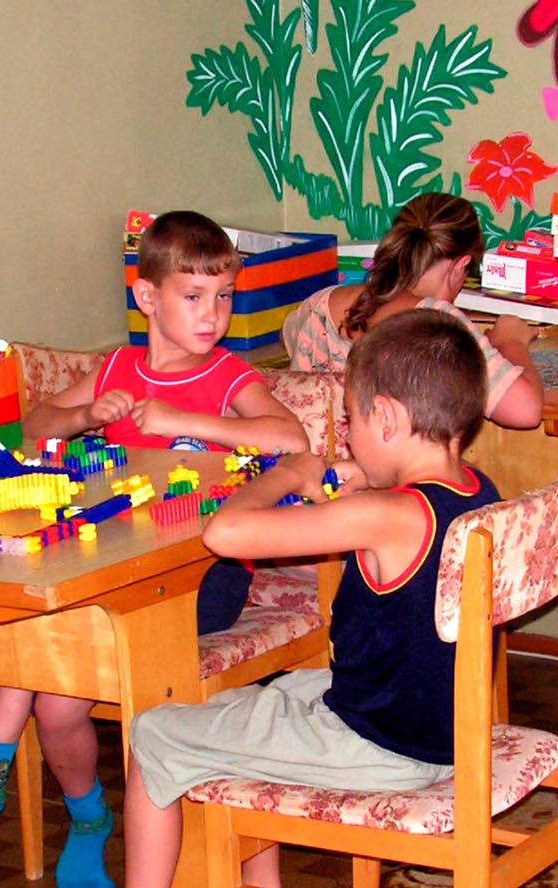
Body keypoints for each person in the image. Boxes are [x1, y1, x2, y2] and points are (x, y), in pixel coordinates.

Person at [0, 210, 309, 888]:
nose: (213, 313)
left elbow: (292, 440)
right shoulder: (117, 367)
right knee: (55, 705)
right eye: (194, 296)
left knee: (46, 648)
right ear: (148, 298)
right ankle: (87, 820)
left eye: (224, 296)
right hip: (109, 569)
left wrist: (183, 421)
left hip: (202, 578)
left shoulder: (227, 375)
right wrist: (85, 416)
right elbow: (36, 424)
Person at [123, 307, 501, 888]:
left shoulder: (386, 515)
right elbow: (402, 514)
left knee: (154, 733)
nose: (347, 434)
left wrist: (289, 472)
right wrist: (370, 478)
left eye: (350, 418)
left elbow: (225, 534)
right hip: (444, 731)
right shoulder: (478, 491)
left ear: (385, 417)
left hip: (378, 749)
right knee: (264, 695)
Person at [280, 191, 544, 429]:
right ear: (460, 265)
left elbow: (286, 336)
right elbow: (526, 411)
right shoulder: (438, 325)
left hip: (311, 461)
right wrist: (510, 341)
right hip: (386, 468)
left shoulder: (323, 302)